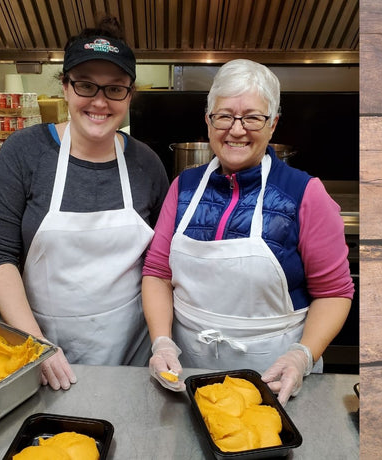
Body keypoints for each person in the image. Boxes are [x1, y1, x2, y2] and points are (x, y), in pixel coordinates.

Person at [142, 59, 354, 405]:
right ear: (208, 121)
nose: (236, 130)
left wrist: (302, 356)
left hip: (274, 380)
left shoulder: (304, 193)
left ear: (273, 124)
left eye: (252, 117)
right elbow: (157, 273)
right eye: (224, 116)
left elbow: (334, 292)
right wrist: (162, 341)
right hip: (187, 376)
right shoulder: (183, 187)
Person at [0, 16, 169, 391]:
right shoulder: (24, 152)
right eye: (85, 85)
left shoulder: (146, 162)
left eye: (115, 89)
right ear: (65, 87)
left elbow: (161, 263)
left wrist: (164, 340)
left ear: (130, 95)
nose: (100, 101)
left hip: (132, 353)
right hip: (42, 349)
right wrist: (37, 345)